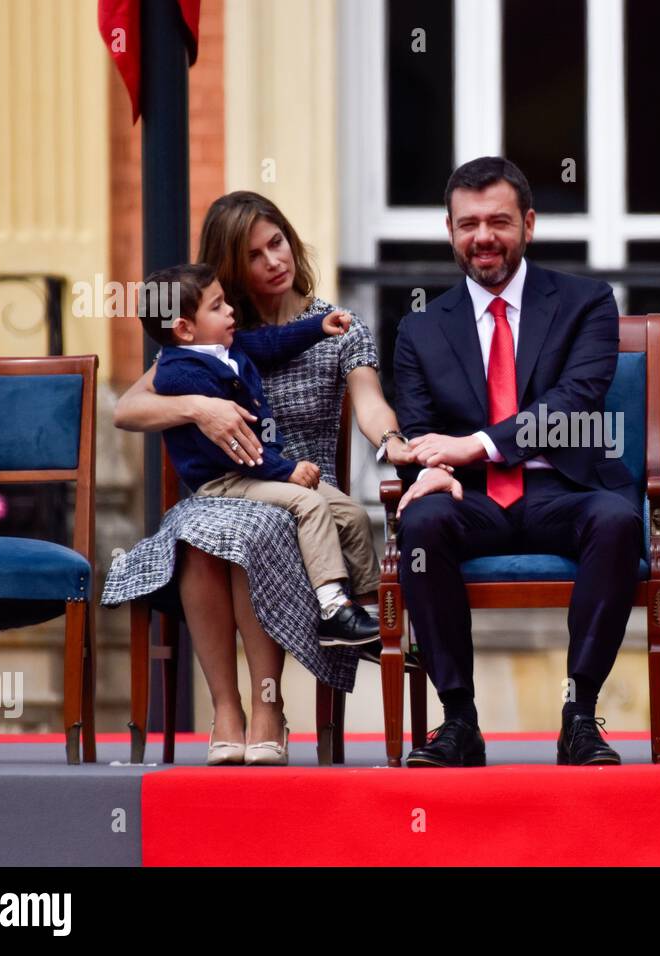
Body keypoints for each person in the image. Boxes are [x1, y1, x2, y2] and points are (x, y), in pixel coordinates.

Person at [103, 191, 416, 766]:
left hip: (300, 494)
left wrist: (393, 442)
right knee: (204, 532)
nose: (275, 260)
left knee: (253, 531)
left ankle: (270, 703)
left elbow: (370, 405)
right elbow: (128, 408)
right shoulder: (212, 338)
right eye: (254, 254)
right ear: (230, 267)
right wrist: (201, 409)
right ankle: (229, 709)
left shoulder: (335, 327)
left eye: (278, 243)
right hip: (226, 488)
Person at [392, 156, 643, 768]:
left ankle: (581, 716)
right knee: (420, 525)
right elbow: (420, 431)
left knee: (617, 520)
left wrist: (473, 444)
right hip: (470, 501)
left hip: (564, 489)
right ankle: (458, 723)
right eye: (468, 223)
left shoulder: (586, 303)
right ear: (449, 231)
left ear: (528, 223)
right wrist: (429, 469)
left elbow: (571, 404)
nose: (483, 237)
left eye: (499, 221)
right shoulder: (420, 329)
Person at [141, 262, 381, 650]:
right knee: (308, 504)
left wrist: (318, 326)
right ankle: (333, 610)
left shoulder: (227, 349)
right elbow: (235, 449)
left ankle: (371, 614)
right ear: (184, 328)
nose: (231, 311)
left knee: (351, 514)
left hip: (258, 472)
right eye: (217, 307)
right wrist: (287, 472)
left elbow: (272, 343)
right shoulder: (181, 374)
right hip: (225, 482)